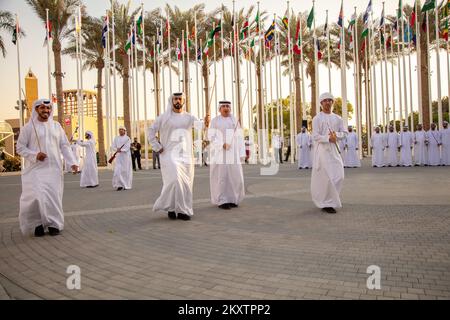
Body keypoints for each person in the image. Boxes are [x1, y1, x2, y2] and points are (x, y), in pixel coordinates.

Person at [16, 98, 78, 237]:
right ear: (36, 109)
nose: (46, 111)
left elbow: (64, 146)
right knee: (37, 196)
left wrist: (72, 162)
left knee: (53, 196)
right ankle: (37, 223)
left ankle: (54, 224)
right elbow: (20, 147)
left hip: (54, 168)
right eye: (43, 108)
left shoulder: (56, 126)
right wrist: (34, 155)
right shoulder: (28, 127)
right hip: (36, 169)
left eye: (48, 108)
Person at [148, 93, 201, 221]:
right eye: (175, 99)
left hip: (186, 155)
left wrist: (206, 121)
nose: (178, 101)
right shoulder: (164, 118)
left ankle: (178, 209)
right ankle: (175, 208)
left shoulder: (189, 117)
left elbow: (201, 126)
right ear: (171, 100)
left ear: (183, 101)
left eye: (180, 99)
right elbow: (151, 130)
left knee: (186, 183)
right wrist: (156, 146)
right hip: (169, 154)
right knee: (175, 180)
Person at [311, 92, 347, 214]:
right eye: (325, 100)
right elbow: (315, 136)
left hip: (334, 150)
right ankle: (327, 203)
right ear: (321, 103)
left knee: (339, 175)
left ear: (332, 102)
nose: (327, 102)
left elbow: (344, 133)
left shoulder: (338, 118)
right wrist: (327, 138)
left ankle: (332, 199)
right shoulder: (317, 118)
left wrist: (336, 135)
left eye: (329, 100)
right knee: (327, 177)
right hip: (322, 150)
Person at [208, 100, 245, 210]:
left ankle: (233, 199)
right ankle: (222, 200)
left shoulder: (235, 121)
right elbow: (211, 136)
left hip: (233, 153)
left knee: (235, 176)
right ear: (219, 109)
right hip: (220, 153)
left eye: (228, 106)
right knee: (222, 177)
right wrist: (221, 144)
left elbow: (240, 137)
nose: (226, 108)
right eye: (223, 106)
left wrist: (241, 153)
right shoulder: (215, 121)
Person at [111, 126, 133, 191]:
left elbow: (127, 147)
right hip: (118, 157)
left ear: (124, 131)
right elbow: (113, 146)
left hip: (125, 158)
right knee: (117, 171)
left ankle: (126, 185)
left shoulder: (127, 138)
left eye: (121, 129)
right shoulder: (116, 138)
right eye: (119, 129)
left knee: (125, 171)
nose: (120, 131)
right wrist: (116, 149)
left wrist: (121, 150)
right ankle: (119, 185)